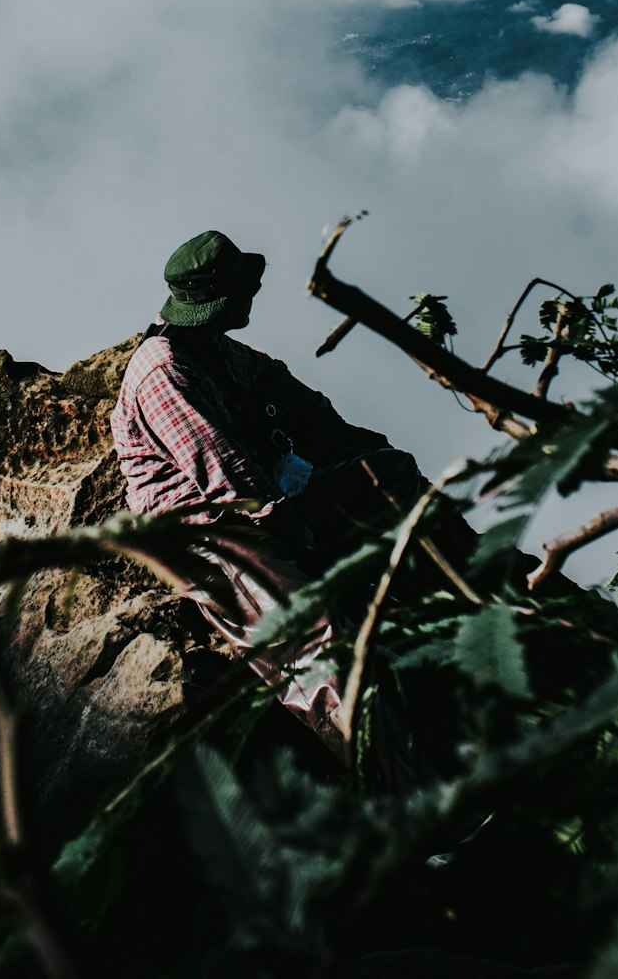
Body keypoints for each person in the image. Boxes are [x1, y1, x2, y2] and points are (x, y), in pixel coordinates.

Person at [110, 228, 427, 787]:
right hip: (212, 533)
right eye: (241, 290)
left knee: (388, 474)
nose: (252, 296)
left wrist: (351, 447)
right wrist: (299, 531)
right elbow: (226, 473)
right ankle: (410, 799)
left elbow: (291, 395)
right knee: (316, 643)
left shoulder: (221, 352)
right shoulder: (162, 371)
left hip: (267, 504)